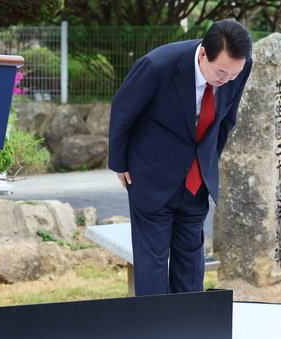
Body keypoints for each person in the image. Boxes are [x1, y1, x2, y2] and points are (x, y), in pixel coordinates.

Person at [108, 19, 253, 296]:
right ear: (202, 54)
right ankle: (154, 329)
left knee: (191, 263)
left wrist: (208, 164)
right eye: (221, 72)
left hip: (197, 180)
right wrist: (119, 162)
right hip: (152, 175)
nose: (227, 80)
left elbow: (226, 121)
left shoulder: (239, 67)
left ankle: (190, 327)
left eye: (234, 74)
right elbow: (122, 111)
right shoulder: (157, 65)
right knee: (152, 264)